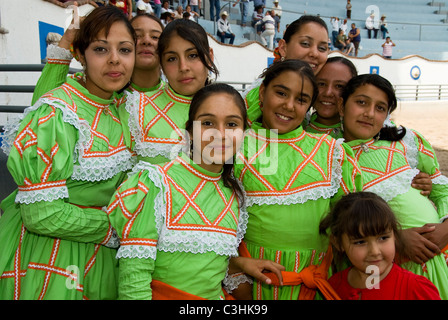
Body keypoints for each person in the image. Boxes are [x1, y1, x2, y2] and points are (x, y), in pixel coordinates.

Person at [0, 6, 136, 300]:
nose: (115, 59)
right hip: (53, 254)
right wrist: (114, 228)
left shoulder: (130, 108)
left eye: (124, 49)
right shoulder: (59, 111)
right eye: (100, 49)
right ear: (80, 54)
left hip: (106, 259)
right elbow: (41, 214)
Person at [107, 83, 281, 299]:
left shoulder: (233, 195)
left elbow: (206, 265)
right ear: (189, 130)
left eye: (232, 124)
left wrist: (238, 263)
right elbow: (134, 279)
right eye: (208, 123)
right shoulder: (157, 183)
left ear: (244, 132)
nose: (220, 134)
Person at [228, 59, 363, 300]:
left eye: (301, 99)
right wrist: (237, 272)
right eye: (280, 92)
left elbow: (352, 226)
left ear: (310, 106)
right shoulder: (235, 147)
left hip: (316, 283)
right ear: (262, 92)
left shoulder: (332, 152)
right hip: (252, 285)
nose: (289, 105)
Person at [338, 73, 448, 299]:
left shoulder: (406, 143)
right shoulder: (334, 158)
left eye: (380, 108)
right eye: (361, 102)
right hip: (383, 271)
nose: (369, 113)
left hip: (440, 256)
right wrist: (397, 240)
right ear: (341, 106)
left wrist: (446, 229)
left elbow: (442, 190)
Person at [126, 18, 219, 164]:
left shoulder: (228, 107)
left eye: (192, 55)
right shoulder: (136, 108)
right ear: (161, 64)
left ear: (209, 57)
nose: (183, 67)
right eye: (171, 59)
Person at [319, 192, 442, 300]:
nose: (374, 251)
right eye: (360, 242)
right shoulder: (333, 287)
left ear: (395, 235)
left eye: (383, 238)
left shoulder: (416, 289)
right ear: (338, 243)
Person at [245, 15, 330, 124]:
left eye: (322, 48)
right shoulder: (261, 95)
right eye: (305, 44)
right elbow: (263, 139)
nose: (314, 53)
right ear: (283, 48)